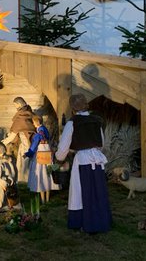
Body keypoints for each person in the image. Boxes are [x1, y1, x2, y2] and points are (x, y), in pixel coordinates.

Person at [55, 94, 112, 233]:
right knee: (98, 190)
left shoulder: (72, 123)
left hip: (83, 161)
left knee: (81, 192)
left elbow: (63, 148)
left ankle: (84, 222)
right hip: (97, 160)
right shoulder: (96, 121)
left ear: (73, 108)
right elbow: (102, 143)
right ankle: (100, 221)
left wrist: (58, 157)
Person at [25, 115, 60, 203]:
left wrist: (28, 154)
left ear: (35, 123)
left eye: (33, 122)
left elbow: (33, 146)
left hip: (40, 153)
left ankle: (43, 200)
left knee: (40, 174)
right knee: (48, 173)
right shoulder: (45, 130)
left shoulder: (38, 134)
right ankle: (47, 198)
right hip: (47, 152)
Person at [2, 97, 36, 183]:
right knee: (22, 161)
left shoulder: (21, 117)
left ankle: (26, 180)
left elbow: (13, 134)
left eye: (15, 105)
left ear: (19, 104)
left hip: (26, 143)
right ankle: (22, 179)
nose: (15, 107)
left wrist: (3, 143)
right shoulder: (29, 113)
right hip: (28, 141)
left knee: (25, 161)